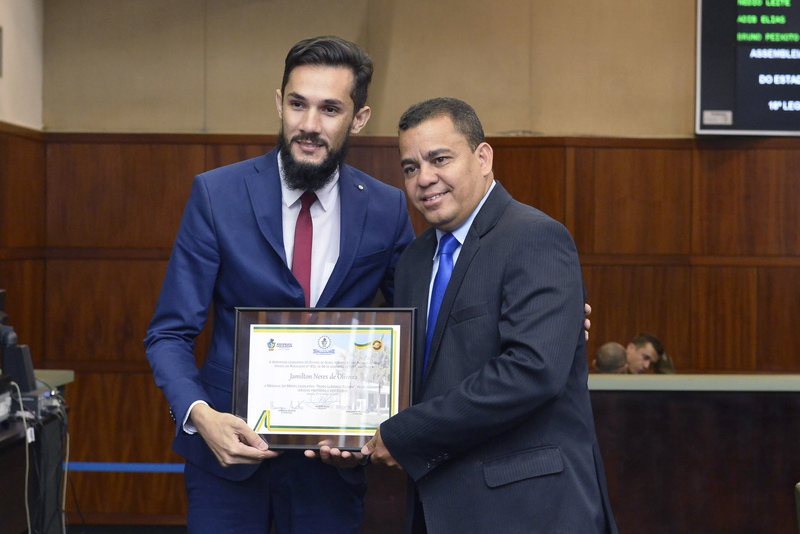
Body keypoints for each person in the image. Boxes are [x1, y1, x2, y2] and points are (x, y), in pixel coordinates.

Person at [144, 36, 415, 533]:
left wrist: (377, 425)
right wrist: (200, 415)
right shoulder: (216, 194)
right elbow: (168, 333)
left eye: (330, 108)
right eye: (297, 104)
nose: (309, 124)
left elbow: (415, 334)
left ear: (358, 118)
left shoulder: (386, 208)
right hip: (226, 465)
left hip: (332, 473)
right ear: (279, 103)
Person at [361, 98, 617, 533]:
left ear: (483, 158)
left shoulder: (535, 237)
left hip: (527, 511)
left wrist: (404, 434)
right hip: (437, 509)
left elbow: (531, 371)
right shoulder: (414, 261)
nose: (424, 178)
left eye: (440, 159)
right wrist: (348, 433)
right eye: (410, 167)